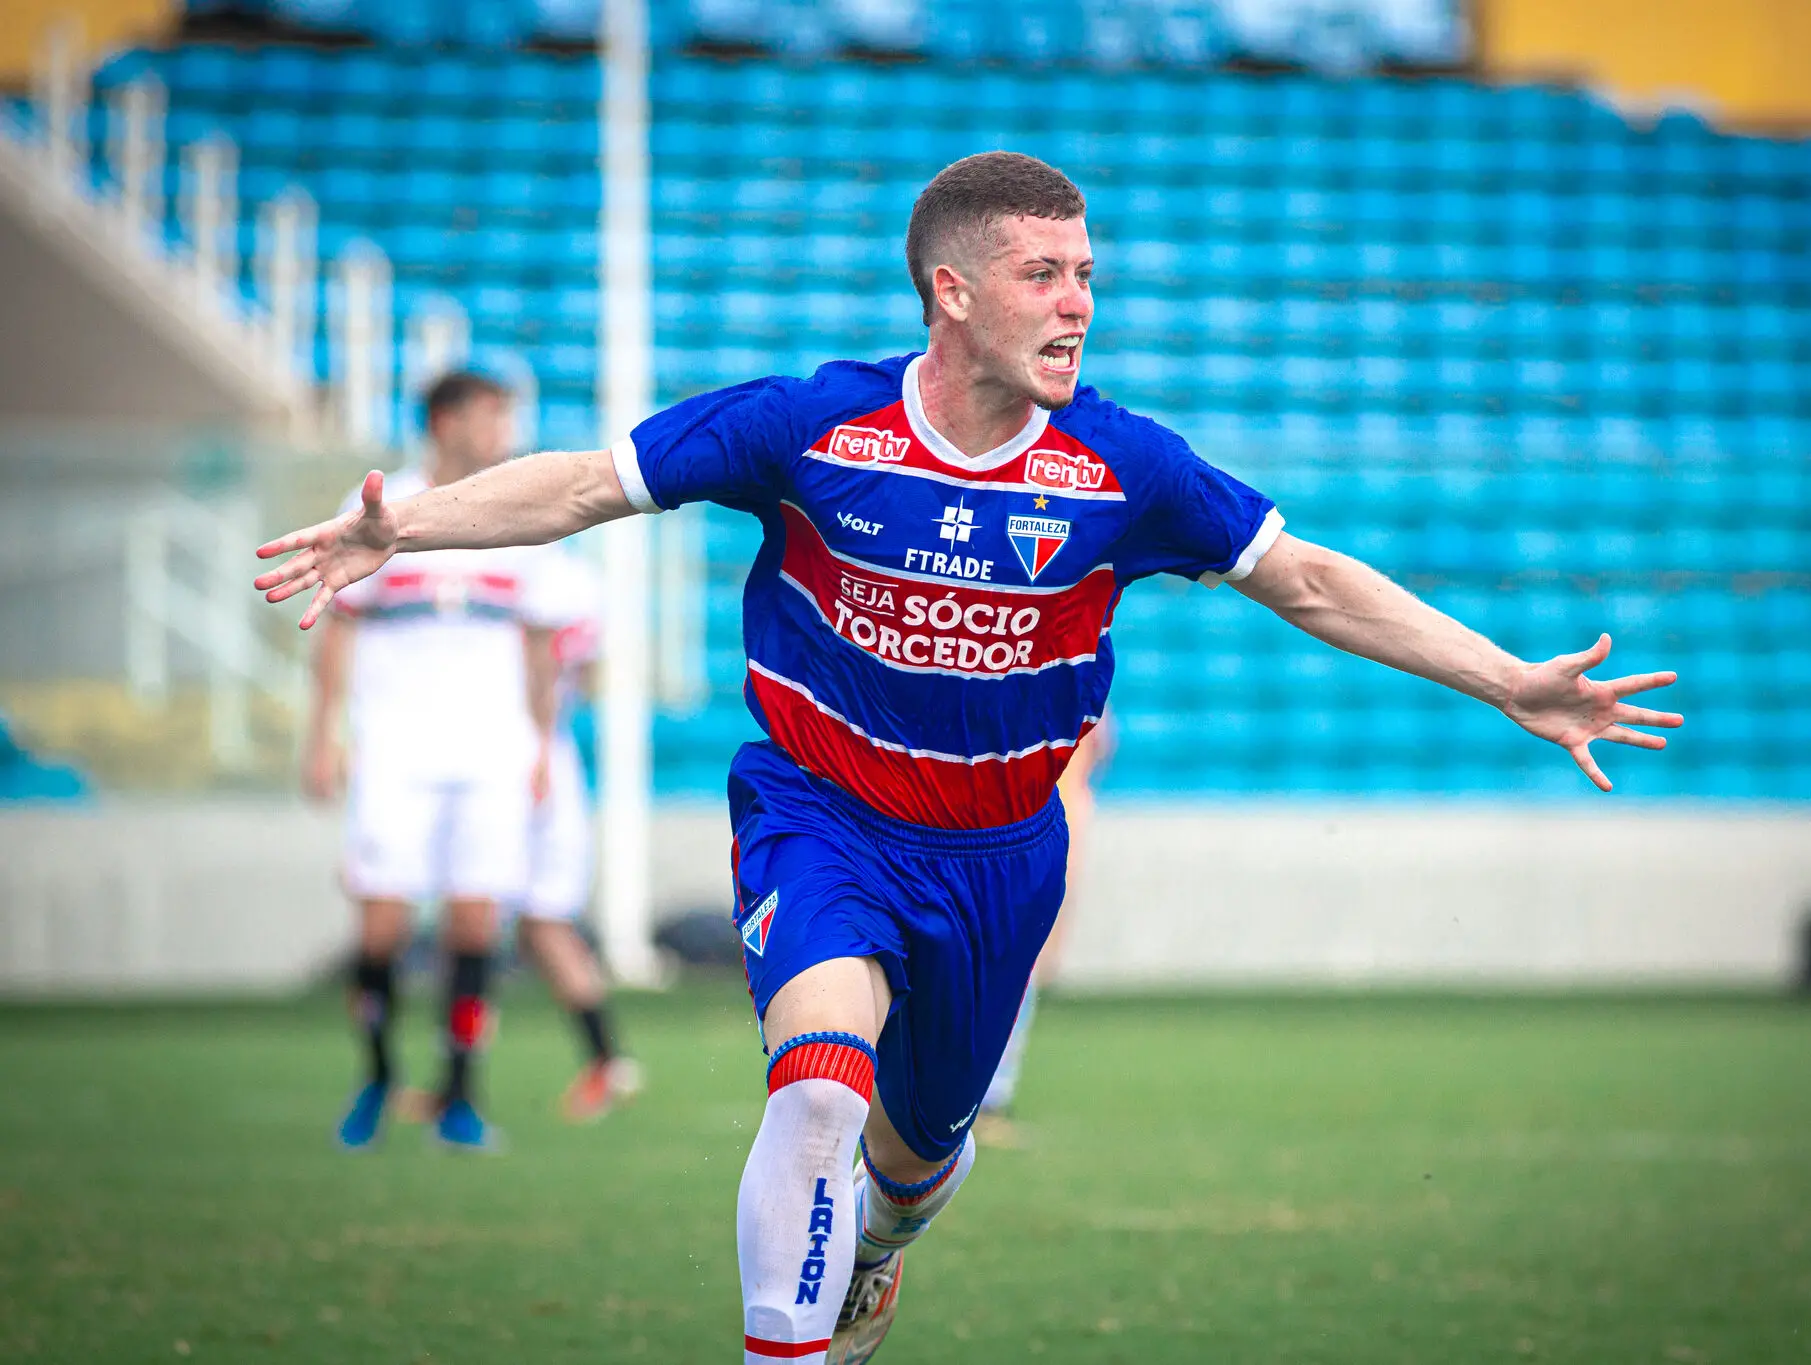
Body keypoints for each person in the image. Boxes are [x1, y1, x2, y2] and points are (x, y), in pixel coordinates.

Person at [255, 152, 1682, 1362]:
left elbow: (1306, 581)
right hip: (824, 815)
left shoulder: (1125, 468)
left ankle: (882, 1240)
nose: (1080, 304)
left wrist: (1511, 681)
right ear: (952, 288)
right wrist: (407, 525)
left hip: (1002, 859)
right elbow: (581, 484)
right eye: (1045, 275)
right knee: (818, 1083)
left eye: (1086, 275)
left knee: (919, 1153)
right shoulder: (810, 423)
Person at [303, 370, 567, 1154]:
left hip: (491, 748)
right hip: (396, 747)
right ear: (445, 420)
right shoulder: (383, 505)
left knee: (475, 920)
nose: (503, 429)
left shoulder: (520, 507)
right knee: (382, 921)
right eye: (491, 414)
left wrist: (542, 744)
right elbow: (340, 626)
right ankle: (379, 1073)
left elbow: (540, 641)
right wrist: (325, 736)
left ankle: (458, 1092)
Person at [513, 546, 645, 1123]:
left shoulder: (518, 569)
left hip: (521, 756)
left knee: (519, 917)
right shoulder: (579, 575)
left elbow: (539, 663)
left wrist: (536, 739)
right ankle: (606, 1060)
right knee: (537, 921)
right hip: (553, 756)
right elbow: (589, 676)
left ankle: (453, 1084)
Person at [974, 717, 1112, 1148]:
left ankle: (986, 1097)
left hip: (1042, 827)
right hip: (1025, 832)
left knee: (1017, 967)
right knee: (1012, 966)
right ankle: (984, 1098)